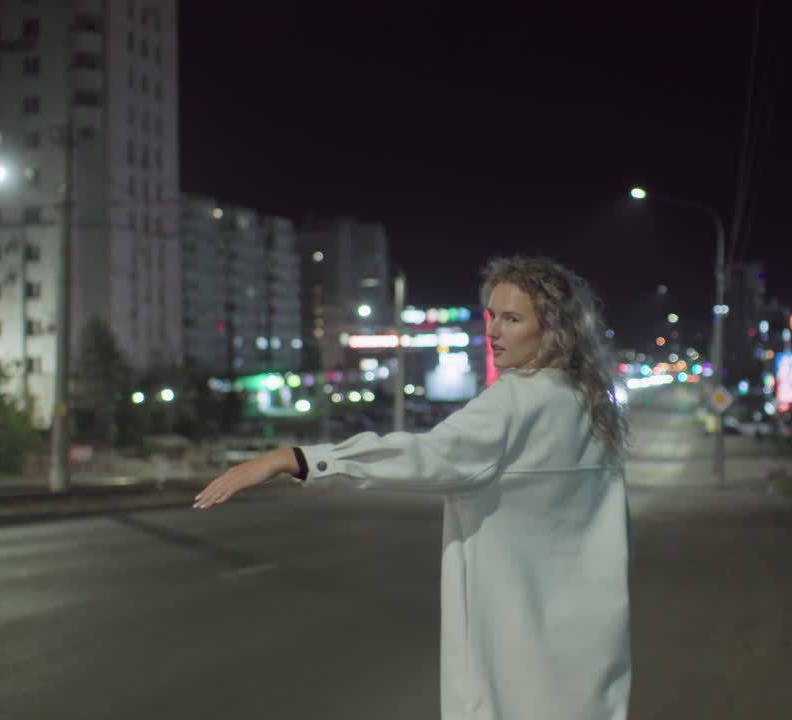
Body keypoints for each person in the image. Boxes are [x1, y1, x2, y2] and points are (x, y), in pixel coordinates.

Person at [194, 256, 632, 720]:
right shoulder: (588, 404)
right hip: (588, 651)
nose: (494, 332)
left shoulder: (517, 400)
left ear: (552, 328)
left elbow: (427, 456)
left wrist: (297, 459)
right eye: (491, 315)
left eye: (512, 318)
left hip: (517, 658)